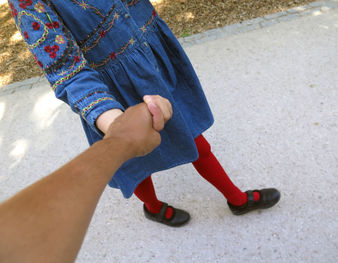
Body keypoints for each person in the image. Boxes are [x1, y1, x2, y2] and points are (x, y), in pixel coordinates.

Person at [8, 0, 280, 227]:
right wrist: (118, 125)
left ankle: (237, 200)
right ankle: (153, 207)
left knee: (194, 140)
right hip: (110, 92)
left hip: (152, 59)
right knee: (133, 162)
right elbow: (65, 70)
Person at [0, 97, 171, 263]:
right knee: (135, 168)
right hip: (111, 114)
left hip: (146, 105)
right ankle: (153, 208)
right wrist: (122, 136)